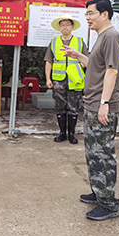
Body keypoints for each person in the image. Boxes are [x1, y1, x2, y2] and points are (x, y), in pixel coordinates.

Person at [63, 0, 119, 221]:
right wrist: (79, 56)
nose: (87, 17)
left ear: (105, 14)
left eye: (91, 13)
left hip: (101, 104)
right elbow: (97, 67)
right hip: (93, 103)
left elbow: (112, 72)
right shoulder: (102, 36)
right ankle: (99, 191)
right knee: (93, 152)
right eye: (86, 13)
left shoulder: (111, 36)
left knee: (102, 154)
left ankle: (108, 204)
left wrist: (104, 103)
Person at [45, 14, 88, 144]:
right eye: (62, 25)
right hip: (58, 80)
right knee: (60, 106)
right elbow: (48, 61)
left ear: (72, 26)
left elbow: (86, 60)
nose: (65, 27)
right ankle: (62, 133)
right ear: (59, 27)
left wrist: (76, 68)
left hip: (75, 80)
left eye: (67, 24)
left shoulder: (80, 42)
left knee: (73, 107)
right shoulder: (54, 42)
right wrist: (48, 79)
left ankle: (72, 134)